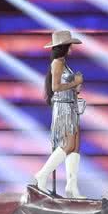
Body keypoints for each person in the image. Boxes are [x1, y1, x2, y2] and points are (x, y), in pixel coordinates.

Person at [33, 29, 86, 199]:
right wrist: (75, 82)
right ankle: (42, 174)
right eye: (70, 45)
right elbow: (55, 87)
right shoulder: (57, 63)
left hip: (71, 106)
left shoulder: (63, 62)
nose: (72, 47)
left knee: (76, 145)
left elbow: (65, 85)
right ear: (64, 46)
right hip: (63, 108)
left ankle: (72, 187)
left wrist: (76, 87)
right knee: (68, 144)